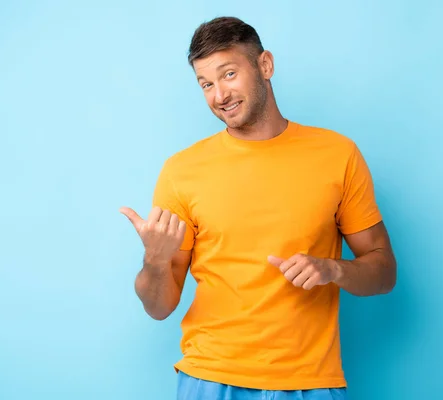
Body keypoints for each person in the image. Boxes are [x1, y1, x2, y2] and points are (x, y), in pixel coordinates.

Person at [120, 16, 397, 400]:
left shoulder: (337, 155)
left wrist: (333, 269)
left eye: (229, 74)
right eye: (206, 84)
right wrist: (154, 260)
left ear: (264, 65)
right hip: (210, 379)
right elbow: (159, 307)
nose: (220, 94)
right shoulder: (181, 171)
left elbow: (384, 271)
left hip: (310, 382)